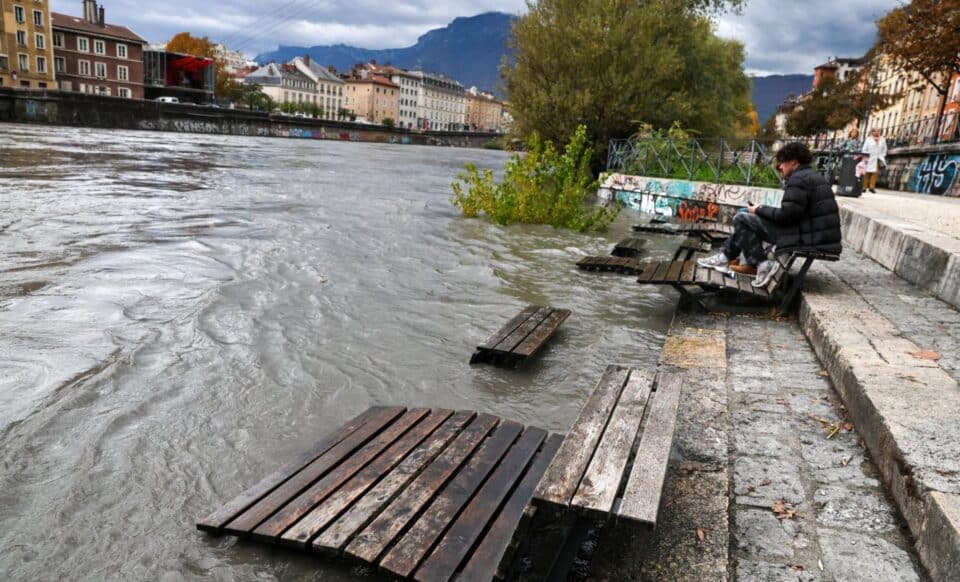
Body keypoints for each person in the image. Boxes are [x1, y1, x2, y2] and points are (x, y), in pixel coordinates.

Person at [697, 142, 842, 287]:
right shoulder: (811, 177)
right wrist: (759, 210)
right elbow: (793, 212)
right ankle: (728, 258)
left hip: (810, 238)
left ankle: (755, 263)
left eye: (782, 163)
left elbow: (786, 216)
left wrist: (760, 209)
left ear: (793, 162)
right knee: (744, 215)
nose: (780, 167)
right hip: (816, 235)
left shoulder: (798, 179)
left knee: (742, 218)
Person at [861, 128, 887, 193]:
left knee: (875, 173)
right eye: (875, 131)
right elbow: (864, 149)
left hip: (877, 158)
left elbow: (884, 149)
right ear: (872, 132)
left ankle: (871, 187)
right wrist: (866, 155)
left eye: (878, 131)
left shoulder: (882, 140)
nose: (877, 132)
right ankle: (864, 187)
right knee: (867, 173)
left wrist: (882, 155)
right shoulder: (868, 139)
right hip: (869, 157)